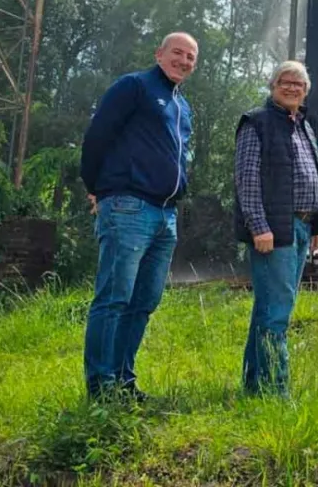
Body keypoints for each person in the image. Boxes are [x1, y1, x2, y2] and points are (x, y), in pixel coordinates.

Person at [80, 32, 198, 401]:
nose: (184, 61)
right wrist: (96, 186)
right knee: (114, 298)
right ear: (158, 54)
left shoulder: (184, 107)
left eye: (191, 57)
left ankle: (123, 382)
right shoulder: (134, 86)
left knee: (144, 301)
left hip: (165, 216)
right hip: (128, 205)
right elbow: (97, 135)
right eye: (177, 53)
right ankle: (101, 389)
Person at [234, 60, 318, 396]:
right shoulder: (256, 123)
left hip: (301, 228)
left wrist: (317, 225)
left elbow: (314, 176)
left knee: (267, 310)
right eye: (285, 82)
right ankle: (276, 391)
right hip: (275, 230)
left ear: (305, 93)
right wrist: (259, 226)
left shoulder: (303, 125)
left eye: (298, 85)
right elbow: (246, 180)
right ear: (272, 86)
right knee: (277, 314)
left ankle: (255, 386)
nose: (292, 88)